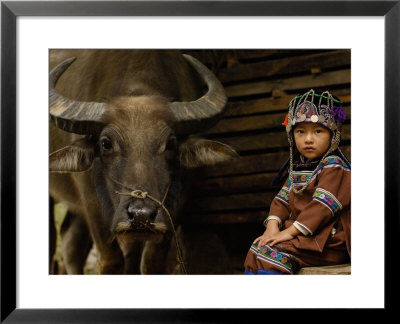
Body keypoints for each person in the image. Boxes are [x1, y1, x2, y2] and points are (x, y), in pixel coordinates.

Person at [244, 89, 351, 274]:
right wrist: (272, 228)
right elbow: (282, 199)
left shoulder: (335, 166)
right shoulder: (298, 166)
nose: (308, 139)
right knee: (256, 250)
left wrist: (288, 232)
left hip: (326, 242)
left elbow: (322, 207)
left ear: (333, 135)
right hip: (302, 238)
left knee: (268, 255)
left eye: (318, 131)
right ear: (291, 135)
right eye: (300, 131)